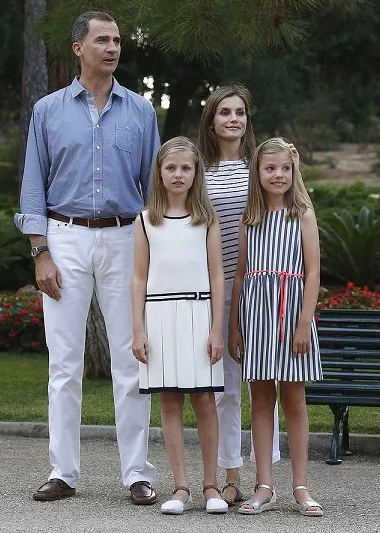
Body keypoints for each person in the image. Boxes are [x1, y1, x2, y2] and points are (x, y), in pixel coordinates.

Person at [14, 11, 160, 504]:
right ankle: (63, 472)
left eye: (117, 39)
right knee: (64, 363)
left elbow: (155, 190)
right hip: (65, 238)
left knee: (132, 360)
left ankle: (138, 473)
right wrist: (40, 253)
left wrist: (154, 249)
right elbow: (33, 184)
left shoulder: (141, 111)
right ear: (78, 48)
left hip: (125, 239)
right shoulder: (48, 111)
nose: (113, 47)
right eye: (102, 39)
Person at [132, 136, 228, 515]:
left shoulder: (207, 219)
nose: (178, 174)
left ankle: (211, 486)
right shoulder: (145, 220)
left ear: (195, 173)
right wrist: (138, 329)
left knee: (205, 399)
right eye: (171, 168)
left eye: (185, 168)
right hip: (159, 317)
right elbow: (139, 278)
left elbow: (218, 275)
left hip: (199, 315)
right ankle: (181, 487)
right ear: (159, 172)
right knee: (169, 400)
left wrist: (217, 327)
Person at [228, 137, 323, 516]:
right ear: (258, 173)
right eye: (270, 168)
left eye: (285, 168)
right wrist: (235, 327)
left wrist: (304, 322)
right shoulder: (248, 219)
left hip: (292, 316)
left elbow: (313, 271)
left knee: (295, 400)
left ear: (293, 169)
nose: (278, 174)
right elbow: (238, 278)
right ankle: (264, 485)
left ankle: (301, 487)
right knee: (261, 398)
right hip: (257, 319)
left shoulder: (302, 215)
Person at [197, 84, 280, 506]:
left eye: (240, 112)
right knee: (224, 387)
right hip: (218, 287)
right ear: (211, 119)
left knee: (263, 382)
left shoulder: (259, 169)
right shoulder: (199, 171)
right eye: (225, 111)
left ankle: (266, 478)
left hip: (262, 286)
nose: (233, 118)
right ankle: (231, 477)